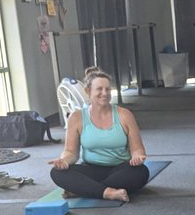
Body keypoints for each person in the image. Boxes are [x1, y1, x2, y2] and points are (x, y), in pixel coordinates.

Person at [48, 67, 149, 203]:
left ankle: (85, 189)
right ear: (88, 91)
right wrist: (64, 161)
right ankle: (107, 192)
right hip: (91, 169)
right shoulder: (76, 117)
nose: (104, 93)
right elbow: (71, 152)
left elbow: (137, 149)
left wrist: (137, 157)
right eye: (99, 89)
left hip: (120, 168)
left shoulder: (125, 115)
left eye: (107, 89)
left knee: (141, 172)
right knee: (56, 173)